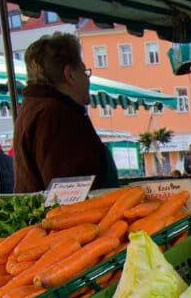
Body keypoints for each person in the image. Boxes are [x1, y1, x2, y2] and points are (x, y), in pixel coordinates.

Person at [14, 32, 117, 193]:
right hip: (76, 209)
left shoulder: (33, 107)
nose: (87, 80)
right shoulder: (56, 116)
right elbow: (69, 190)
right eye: (84, 72)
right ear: (69, 74)